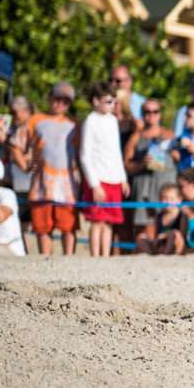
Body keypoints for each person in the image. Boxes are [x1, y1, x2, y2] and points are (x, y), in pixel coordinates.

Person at [27, 83, 78, 256]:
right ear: (49, 98)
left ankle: (69, 259)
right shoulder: (35, 120)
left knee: (68, 226)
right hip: (41, 185)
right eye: (57, 99)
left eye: (65, 101)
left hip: (67, 186)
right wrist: (26, 163)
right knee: (42, 227)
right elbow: (17, 145)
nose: (60, 104)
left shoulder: (74, 125)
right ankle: (44, 261)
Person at [79, 82, 129, 257]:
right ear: (95, 101)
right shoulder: (90, 121)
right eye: (108, 101)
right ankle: (95, 257)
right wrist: (94, 185)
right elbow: (84, 155)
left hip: (114, 179)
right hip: (98, 179)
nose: (112, 105)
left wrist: (123, 178)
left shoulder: (113, 121)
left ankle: (105, 258)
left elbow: (116, 153)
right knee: (97, 221)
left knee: (109, 222)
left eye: (114, 101)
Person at [124, 99, 176, 236]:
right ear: (142, 114)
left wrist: (173, 152)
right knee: (144, 233)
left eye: (155, 111)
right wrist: (142, 163)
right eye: (147, 112)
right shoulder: (135, 137)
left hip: (165, 191)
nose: (151, 115)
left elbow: (179, 161)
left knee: (166, 230)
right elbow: (127, 166)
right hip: (144, 190)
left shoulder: (170, 135)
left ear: (160, 114)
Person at [135, 183, 186, 255]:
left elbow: (182, 235)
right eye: (165, 198)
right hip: (160, 244)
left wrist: (167, 235)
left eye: (172, 199)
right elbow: (155, 235)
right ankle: (151, 254)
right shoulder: (159, 216)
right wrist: (146, 237)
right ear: (160, 199)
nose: (168, 202)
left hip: (174, 245)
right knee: (141, 238)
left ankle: (167, 254)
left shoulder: (182, 216)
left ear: (179, 200)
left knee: (174, 234)